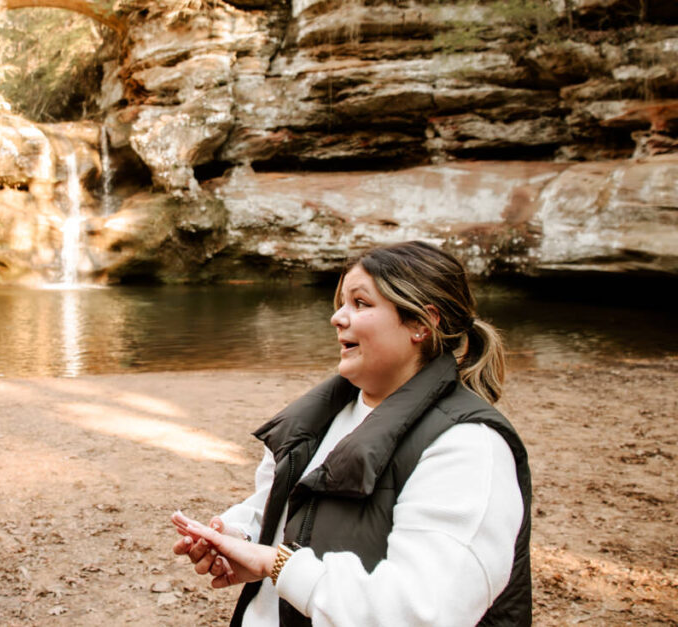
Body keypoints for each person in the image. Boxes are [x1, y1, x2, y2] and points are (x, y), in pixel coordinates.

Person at [171, 240, 531, 626]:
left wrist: (277, 565)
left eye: (360, 303)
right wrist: (242, 534)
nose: (337, 318)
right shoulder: (320, 415)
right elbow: (281, 507)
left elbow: (425, 610)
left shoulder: (469, 446)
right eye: (341, 303)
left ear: (422, 324)